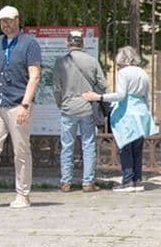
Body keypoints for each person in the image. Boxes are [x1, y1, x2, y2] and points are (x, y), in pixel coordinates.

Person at [0, 5, 42, 209]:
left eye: (9, 20)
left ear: (18, 20)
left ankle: (22, 194)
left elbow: (35, 76)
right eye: (3, 21)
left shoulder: (29, 43)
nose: (6, 24)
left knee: (21, 150)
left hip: (18, 103)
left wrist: (25, 104)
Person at [82, 46, 157, 192]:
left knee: (125, 147)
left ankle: (127, 181)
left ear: (121, 59)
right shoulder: (143, 72)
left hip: (127, 113)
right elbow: (147, 97)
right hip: (141, 112)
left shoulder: (123, 73)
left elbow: (121, 95)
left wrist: (99, 97)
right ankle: (137, 180)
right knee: (137, 149)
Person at [52, 30, 106, 192]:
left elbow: (56, 88)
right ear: (82, 44)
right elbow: (102, 84)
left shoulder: (60, 62)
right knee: (88, 145)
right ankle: (88, 182)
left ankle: (66, 182)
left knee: (67, 145)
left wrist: (60, 104)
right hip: (87, 107)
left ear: (67, 43)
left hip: (68, 107)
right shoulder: (92, 61)